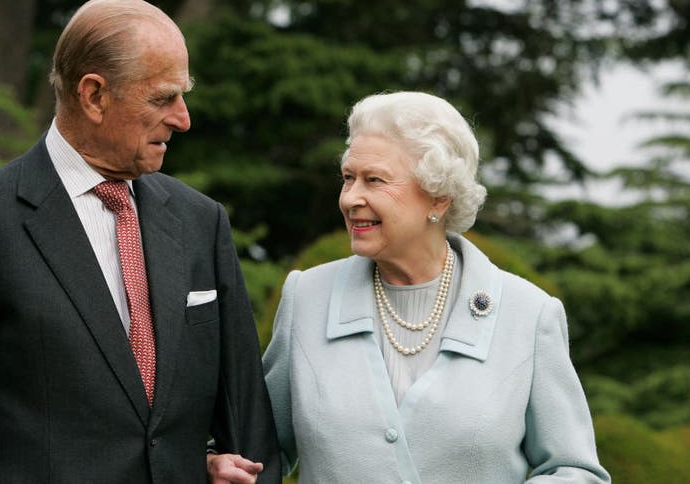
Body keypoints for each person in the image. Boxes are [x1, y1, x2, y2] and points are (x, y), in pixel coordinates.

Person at [0, 0, 280, 483]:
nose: (183, 118)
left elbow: (248, 427)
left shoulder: (201, 222)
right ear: (94, 95)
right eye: (163, 97)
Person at [209, 91, 610, 483]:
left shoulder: (529, 314)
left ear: (438, 198)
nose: (351, 198)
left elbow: (574, 470)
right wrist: (215, 463)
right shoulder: (307, 297)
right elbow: (256, 451)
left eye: (374, 180)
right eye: (348, 178)